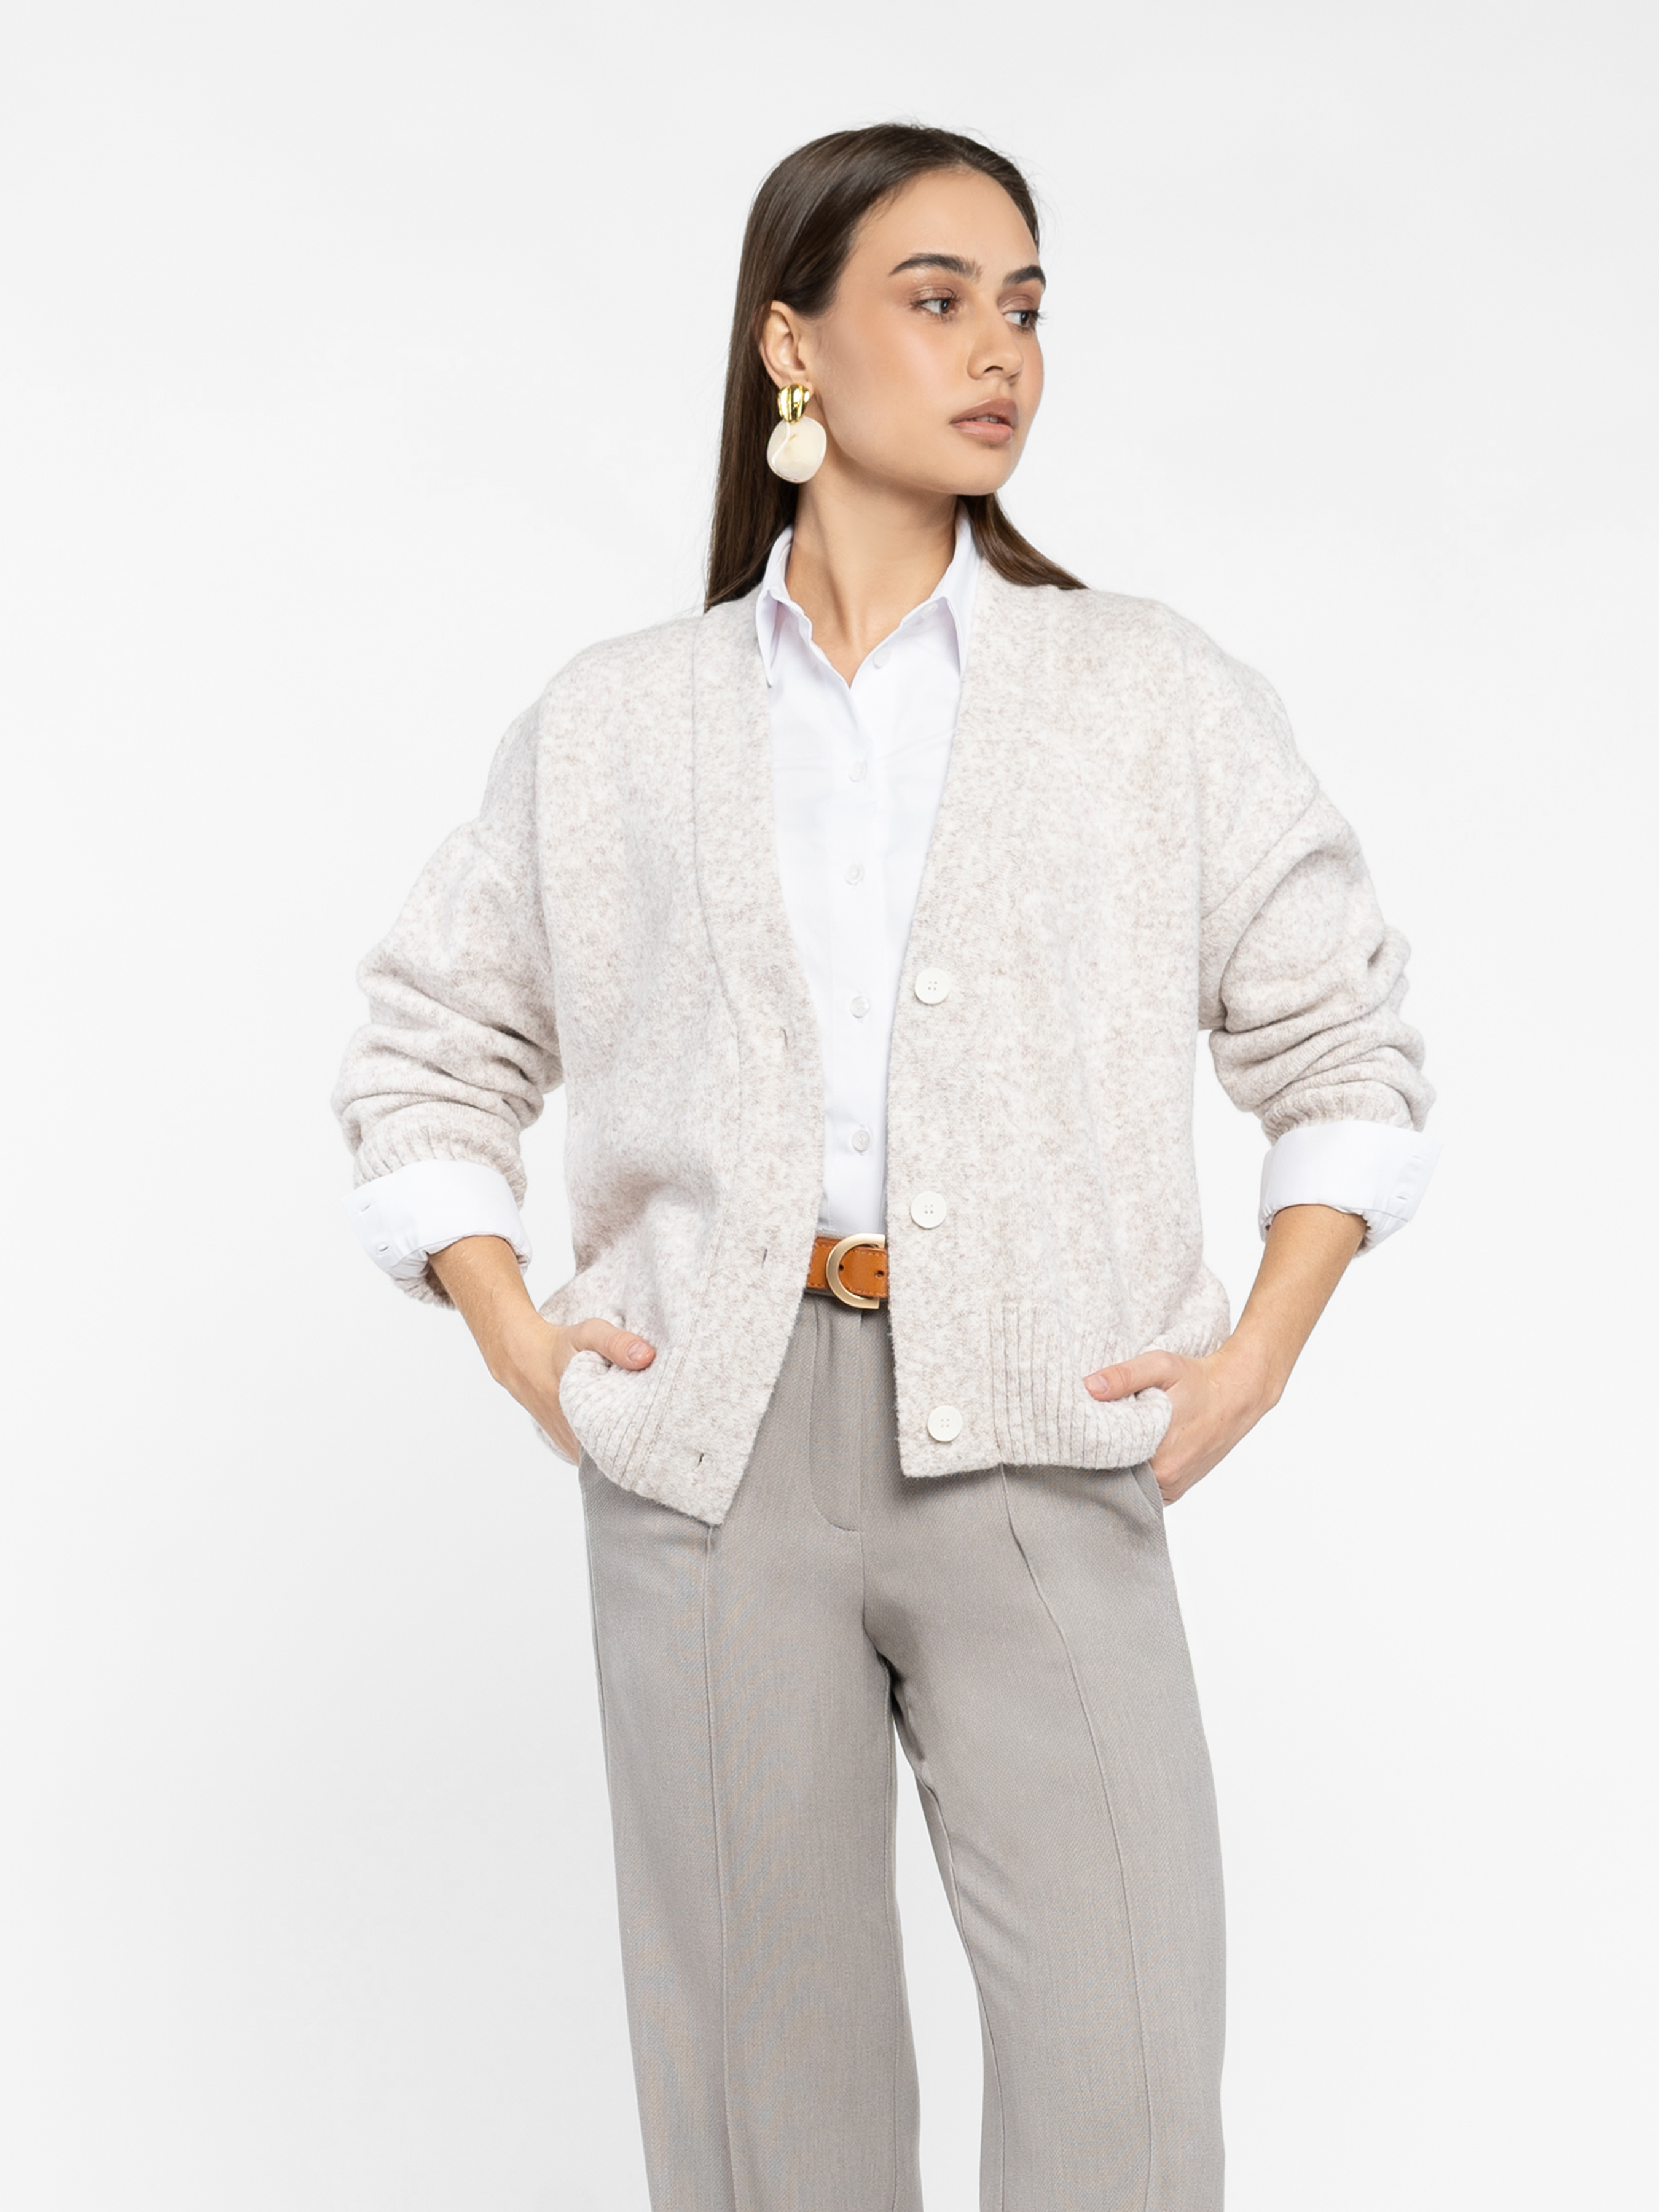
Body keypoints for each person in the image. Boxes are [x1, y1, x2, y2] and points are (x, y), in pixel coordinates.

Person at [333, 122, 1437, 2212]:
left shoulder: (1144, 693)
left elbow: (1340, 1038)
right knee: (769, 2133)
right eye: (935, 301)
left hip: (1039, 1435)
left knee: (1125, 2106)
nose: (997, 351)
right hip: (710, 1466)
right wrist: (525, 1344)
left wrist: (1257, 1355)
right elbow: (426, 1048)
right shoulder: (619, 722)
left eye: (1022, 306)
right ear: (794, 348)